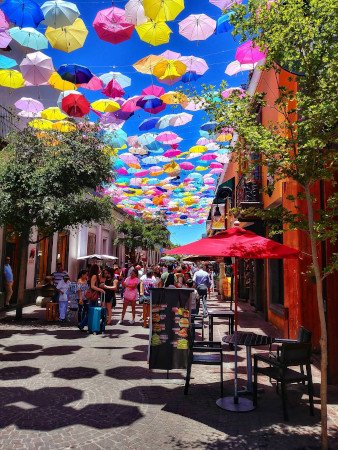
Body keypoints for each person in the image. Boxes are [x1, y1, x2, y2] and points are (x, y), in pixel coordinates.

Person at [78, 264, 105, 331]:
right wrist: (100, 290)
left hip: (93, 295)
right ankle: (82, 324)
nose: (99, 269)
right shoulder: (94, 276)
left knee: (92, 311)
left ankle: (85, 324)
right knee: (91, 311)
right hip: (93, 295)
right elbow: (92, 286)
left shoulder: (94, 276)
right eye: (98, 268)